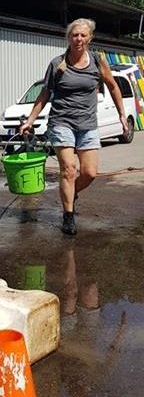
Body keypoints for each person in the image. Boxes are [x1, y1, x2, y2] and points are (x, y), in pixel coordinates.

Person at [20, 18, 129, 235]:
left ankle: (71, 193)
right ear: (69, 37)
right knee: (69, 169)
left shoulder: (98, 61)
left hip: (87, 124)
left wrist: (122, 115)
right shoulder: (57, 64)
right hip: (61, 122)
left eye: (83, 35)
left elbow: (113, 86)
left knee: (89, 173)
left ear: (90, 38)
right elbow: (45, 94)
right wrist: (30, 120)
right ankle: (68, 216)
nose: (78, 39)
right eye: (74, 35)